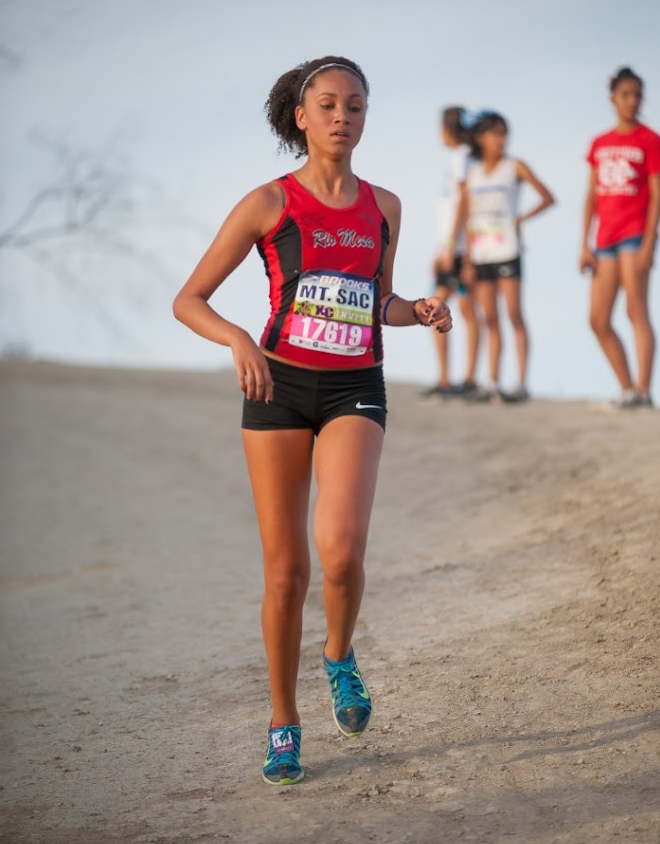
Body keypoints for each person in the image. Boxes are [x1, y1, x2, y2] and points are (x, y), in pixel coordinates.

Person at [172, 56, 451, 786]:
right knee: (285, 573)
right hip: (278, 388)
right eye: (327, 105)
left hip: (356, 385)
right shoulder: (269, 202)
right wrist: (237, 340)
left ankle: (338, 656)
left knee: (342, 553)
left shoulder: (384, 207)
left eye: (355, 106)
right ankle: (282, 721)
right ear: (301, 117)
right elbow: (189, 299)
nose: (342, 117)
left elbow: (378, 300)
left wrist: (415, 311)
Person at [580, 66, 660, 408]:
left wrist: (650, 243)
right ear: (613, 98)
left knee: (637, 312)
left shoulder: (651, 140)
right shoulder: (600, 144)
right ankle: (627, 389)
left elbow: (658, 195)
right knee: (598, 319)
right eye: (625, 94)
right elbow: (591, 196)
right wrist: (584, 245)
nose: (632, 101)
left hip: (635, 237)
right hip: (604, 240)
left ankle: (644, 392)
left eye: (637, 94)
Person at [460, 112, 555, 402]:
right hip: (481, 253)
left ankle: (522, 383)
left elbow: (547, 197)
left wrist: (519, 219)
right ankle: (492, 382)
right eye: (496, 133)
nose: (502, 139)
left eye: (504, 133)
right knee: (489, 317)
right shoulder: (472, 173)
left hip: (508, 251)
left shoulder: (515, 167)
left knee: (514, 314)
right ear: (481, 138)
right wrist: (466, 260)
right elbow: (466, 217)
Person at [423, 106, 480, 398]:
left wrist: (453, 248)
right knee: (457, 310)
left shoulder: (463, 158)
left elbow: (465, 203)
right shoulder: (460, 159)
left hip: (458, 250)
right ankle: (449, 379)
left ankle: (464, 379)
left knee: (453, 309)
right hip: (450, 247)